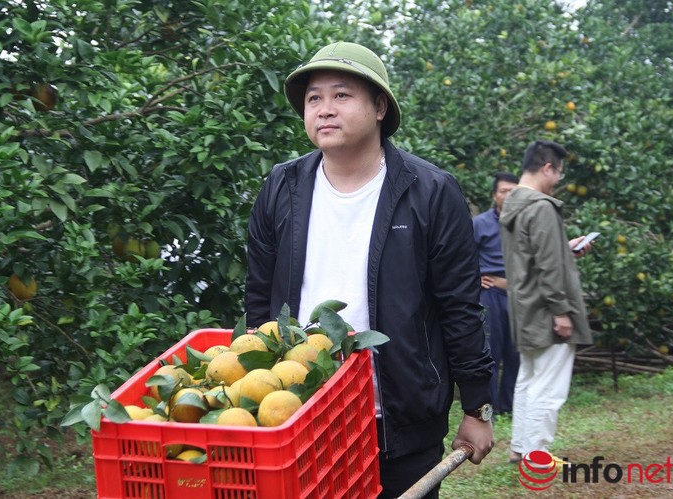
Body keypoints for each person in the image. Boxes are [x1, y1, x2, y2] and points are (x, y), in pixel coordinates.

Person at [244, 41, 494, 498]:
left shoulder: (431, 192)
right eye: (313, 98)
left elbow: (459, 307)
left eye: (341, 95)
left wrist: (478, 408)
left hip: (399, 416)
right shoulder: (282, 186)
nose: (324, 109)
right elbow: (260, 299)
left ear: (379, 106)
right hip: (301, 411)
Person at [499, 140, 594, 464]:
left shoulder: (514, 205)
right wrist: (562, 310)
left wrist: (563, 247)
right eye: (559, 173)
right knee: (549, 387)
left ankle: (520, 448)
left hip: (525, 306)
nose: (559, 181)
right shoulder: (541, 206)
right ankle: (535, 453)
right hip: (546, 308)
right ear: (547, 168)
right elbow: (548, 266)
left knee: (529, 379)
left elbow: (532, 256)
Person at [473, 172, 520, 415]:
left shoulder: (526, 223)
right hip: (489, 295)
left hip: (520, 295)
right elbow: (463, 256)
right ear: (494, 195)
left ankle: (509, 406)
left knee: (516, 352)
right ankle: (489, 408)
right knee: (491, 351)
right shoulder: (480, 223)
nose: (509, 196)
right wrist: (474, 278)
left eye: (514, 191)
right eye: (504, 191)